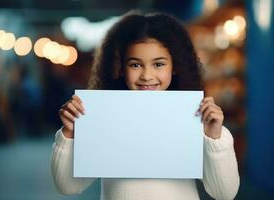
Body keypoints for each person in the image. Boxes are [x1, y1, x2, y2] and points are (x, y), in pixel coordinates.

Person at [51, 11, 240, 200]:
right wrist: (69, 135)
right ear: (121, 67)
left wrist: (214, 137)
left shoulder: (196, 117)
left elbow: (225, 194)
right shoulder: (104, 116)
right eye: (135, 65)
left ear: (175, 66)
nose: (146, 76)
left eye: (158, 64)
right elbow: (68, 186)